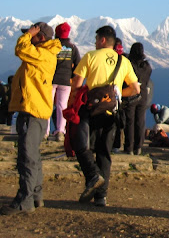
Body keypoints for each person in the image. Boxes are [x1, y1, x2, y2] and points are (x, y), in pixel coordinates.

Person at [68, 25, 140, 207]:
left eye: (95, 39)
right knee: (104, 153)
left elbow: (76, 84)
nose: (94, 42)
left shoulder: (90, 56)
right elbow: (136, 89)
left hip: (91, 110)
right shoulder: (123, 61)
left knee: (81, 144)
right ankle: (101, 196)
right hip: (112, 113)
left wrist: (71, 106)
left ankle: (92, 177)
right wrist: (117, 95)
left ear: (101, 40)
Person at [0, 23, 61, 216]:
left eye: (33, 35)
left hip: (32, 111)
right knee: (32, 155)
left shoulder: (42, 55)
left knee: (27, 156)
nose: (29, 38)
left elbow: (20, 48)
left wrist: (27, 35)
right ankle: (35, 194)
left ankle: (24, 200)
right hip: (35, 110)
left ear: (40, 37)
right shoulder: (42, 55)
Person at [47, 22, 81, 142]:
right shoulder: (72, 48)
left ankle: (45, 132)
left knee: (48, 104)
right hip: (66, 80)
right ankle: (60, 131)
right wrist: (71, 76)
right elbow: (78, 65)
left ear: (56, 33)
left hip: (51, 79)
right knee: (62, 105)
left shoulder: (51, 46)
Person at [123, 43, 152, 155]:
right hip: (143, 95)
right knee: (140, 121)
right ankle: (138, 146)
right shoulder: (147, 66)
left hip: (131, 95)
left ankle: (129, 147)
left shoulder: (129, 65)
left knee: (130, 122)